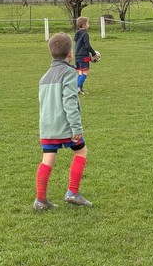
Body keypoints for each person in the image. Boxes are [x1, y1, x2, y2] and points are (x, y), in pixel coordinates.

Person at [34, 32, 92, 211]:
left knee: (47, 159)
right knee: (81, 151)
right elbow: (69, 101)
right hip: (65, 126)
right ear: (70, 53)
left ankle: (40, 200)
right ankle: (73, 192)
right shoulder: (69, 73)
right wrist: (76, 127)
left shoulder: (44, 77)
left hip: (47, 127)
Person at [74, 17, 99, 95]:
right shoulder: (85, 34)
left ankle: (80, 89)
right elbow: (87, 46)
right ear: (84, 25)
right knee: (86, 72)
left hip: (77, 55)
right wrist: (94, 54)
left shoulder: (77, 34)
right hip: (84, 56)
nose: (88, 25)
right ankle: (77, 87)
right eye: (87, 23)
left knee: (80, 72)